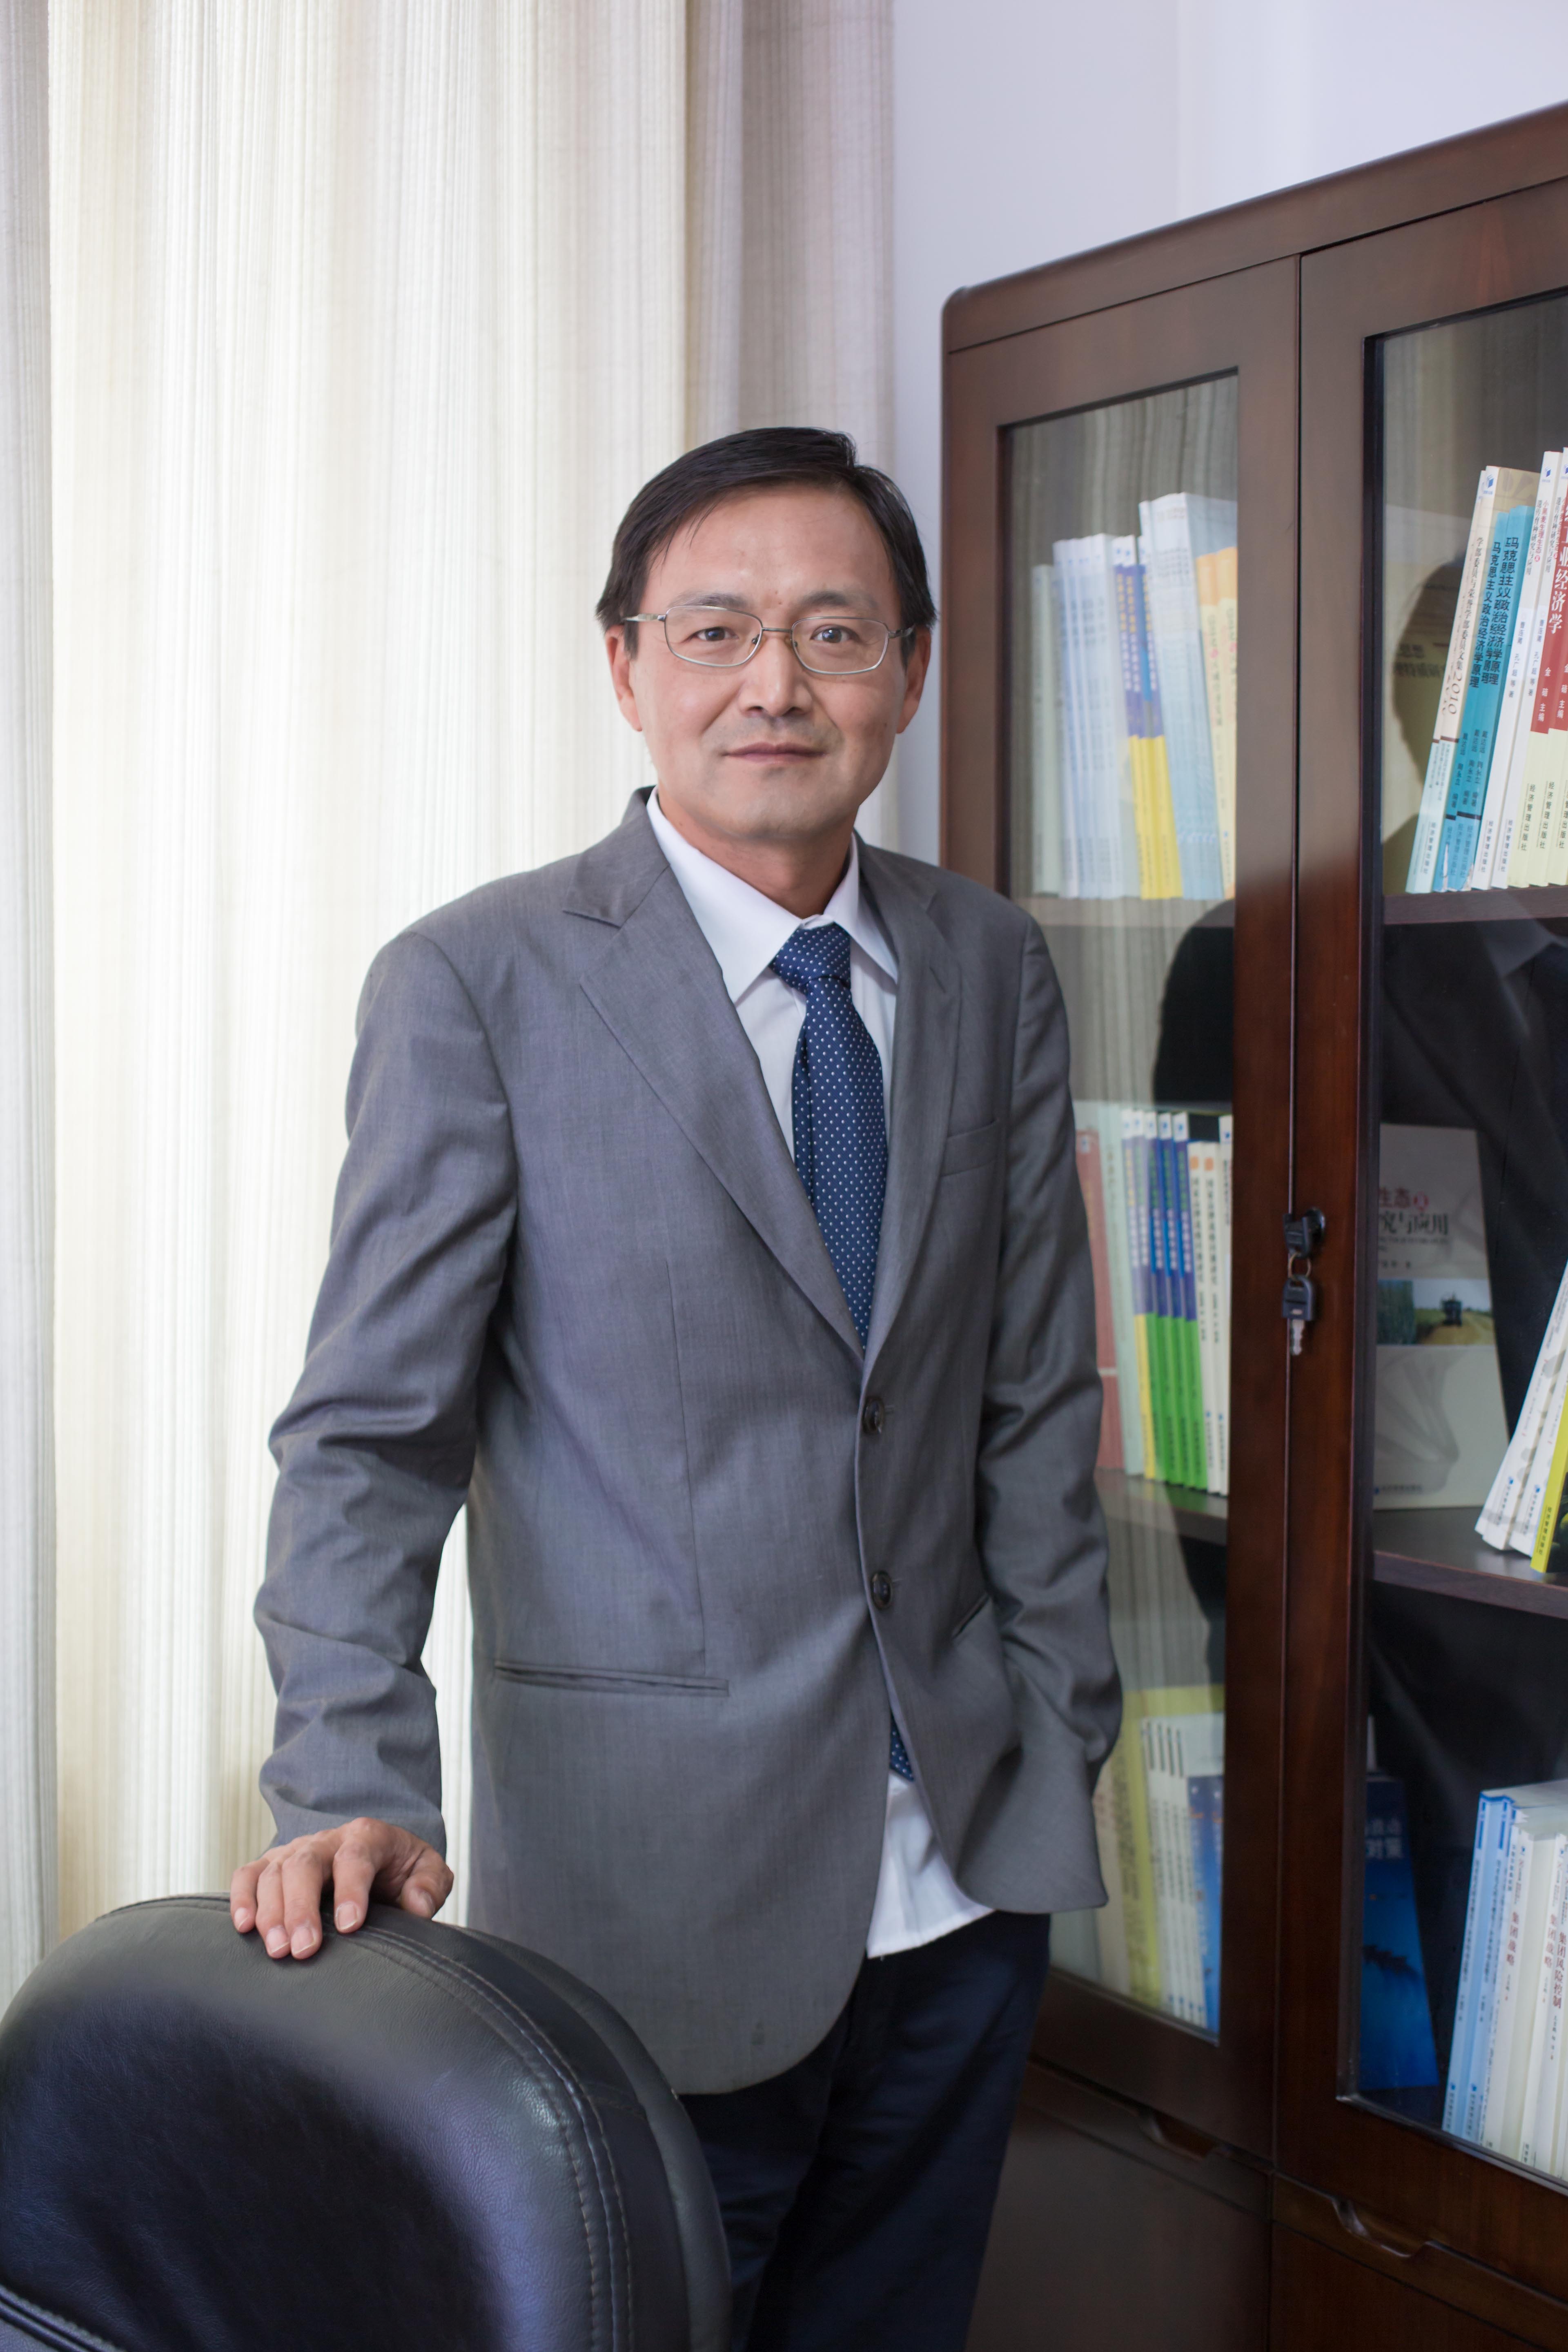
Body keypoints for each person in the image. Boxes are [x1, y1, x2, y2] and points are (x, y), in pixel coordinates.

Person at [232, 425, 1119, 2350]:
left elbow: (1036, 1389)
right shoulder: (479, 983)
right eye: (715, 630)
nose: (774, 683)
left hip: (963, 1886)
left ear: (912, 669)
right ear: (627, 666)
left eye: (833, 632)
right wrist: (349, 1780)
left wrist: (1063, 1726)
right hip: (649, 1906)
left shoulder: (988, 961)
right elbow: (372, 1442)